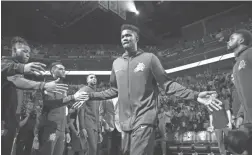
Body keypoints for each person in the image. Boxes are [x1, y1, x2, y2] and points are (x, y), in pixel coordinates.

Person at [79, 24, 222, 155]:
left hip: (145, 118)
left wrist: (195, 95)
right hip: (125, 122)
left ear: (137, 38)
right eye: (122, 36)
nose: (125, 38)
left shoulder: (149, 59)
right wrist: (90, 96)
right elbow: (113, 90)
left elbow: (167, 84)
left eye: (128, 35)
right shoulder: (116, 63)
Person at [1, 37, 69, 155]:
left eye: (28, 52)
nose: (27, 54)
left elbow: (18, 82)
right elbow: (13, 77)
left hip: (17, 120)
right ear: (13, 51)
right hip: (4, 120)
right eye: (23, 51)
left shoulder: (16, 73)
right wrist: (41, 83)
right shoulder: (5, 63)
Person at [36, 62, 87, 155]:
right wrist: (71, 97)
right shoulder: (49, 85)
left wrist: (66, 131)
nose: (64, 70)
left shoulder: (63, 87)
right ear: (52, 71)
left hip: (61, 130)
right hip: (50, 128)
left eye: (64, 68)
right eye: (60, 69)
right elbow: (50, 104)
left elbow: (64, 111)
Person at [227, 29, 252, 123]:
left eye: (232, 38)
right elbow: (243, 94)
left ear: (241, 40)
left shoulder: (250, 53)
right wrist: (241, 114)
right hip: (248, 118)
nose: (228, 41)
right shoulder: (236, 66)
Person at [78, 74, 101, 155]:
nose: (93, 78)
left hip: (95, 126)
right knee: (91, 150)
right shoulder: (84, 90)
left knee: (93, 151)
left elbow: (97, 113)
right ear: (87, 81)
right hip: (88, 124)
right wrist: (82, 127)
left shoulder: (96, 93)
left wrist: (99, 130)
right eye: (91, 77)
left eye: (95, 77)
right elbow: (81, 110)